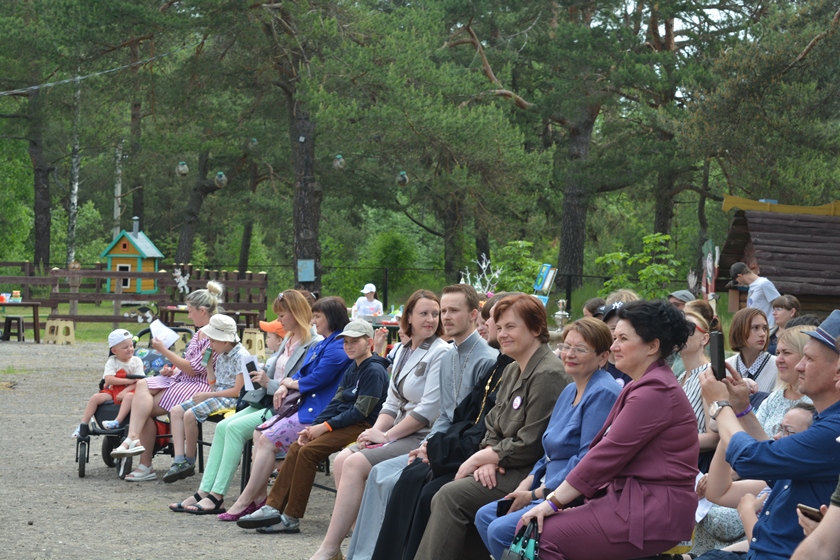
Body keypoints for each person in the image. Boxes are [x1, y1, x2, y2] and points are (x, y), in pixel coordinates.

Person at [519, 299, 698, 560]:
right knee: (529, 527)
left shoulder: (656, 390)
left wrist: (553, 503)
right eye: (615, 338)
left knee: (537, 534)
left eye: (623, 339)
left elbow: (607, 454)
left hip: (651, 510)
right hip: (628, 501)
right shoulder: (644, 384)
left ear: (652, 346)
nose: (613, 347)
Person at [346, 284, 498, 559]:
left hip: (460, 449)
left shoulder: (487, 359)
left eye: (452, 311)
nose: (445, 317)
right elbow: (445, 416)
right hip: (439, 443)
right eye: (444, 311)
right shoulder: (450, 355)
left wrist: (430, 447)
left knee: (401, 481)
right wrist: (427, 444)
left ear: (474, 315)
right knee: (379, 473)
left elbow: (474, 422)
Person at [413, 294, 569, 560]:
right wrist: (487, 457)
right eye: (500, 327)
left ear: (535, 329)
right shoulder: (512, 369)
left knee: (449, 496)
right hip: (502, 463)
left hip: (526, 471)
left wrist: (485, 457)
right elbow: (492, 423)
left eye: (511, 327)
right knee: (433, 484)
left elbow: (530, 443)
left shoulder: (548, 374)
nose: (502, 334)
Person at [308, 289, 449, 560]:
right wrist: (377, 430)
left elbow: (427, 411)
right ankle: (355, 539)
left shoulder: (440, 352)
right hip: (398, 429)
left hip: (422, 435)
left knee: (354, 463)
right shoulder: (403, 350)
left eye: (435, 313)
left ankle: (331, 548)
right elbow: (391, 402)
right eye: (424, 313)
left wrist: (386, 436)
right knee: (341, 460)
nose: (431, 319)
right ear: (409, 317)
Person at [694, 309, 840, 560]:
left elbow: (752, 459)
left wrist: (720, 406)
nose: (799, 366)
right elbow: (775, 463)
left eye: (808, 359)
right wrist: (741, 409)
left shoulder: (833, 430)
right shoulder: (824, 420)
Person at [474, 317, 621, 560]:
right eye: (566, 346)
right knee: (486, 516)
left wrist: (536, 494)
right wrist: (526, 484)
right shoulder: (570, 388)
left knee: (500, 530)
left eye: (580, 349)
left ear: (603, 357)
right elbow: (548, 451)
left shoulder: (603, 392)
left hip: (569, 494)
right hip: (543, 484)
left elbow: (586, 461)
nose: (569, 354)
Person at [168, 290, 321, 513]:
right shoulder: (289, 339)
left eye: (281, 315)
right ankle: (205, 491)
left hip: (286, 407)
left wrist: (269, 382)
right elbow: (276, 373)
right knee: (222, 427)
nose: (279, 321)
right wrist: (262, 377)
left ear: (296, 314)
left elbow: (302, 384)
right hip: (266, 400)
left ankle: (217, 495)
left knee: (234, 429)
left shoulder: (313, 343)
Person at [236, 320, 389, 532]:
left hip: (363, 426)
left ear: (369, 343)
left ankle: (291, 517)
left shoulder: (374, 370)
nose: (349, 346)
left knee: (308, 452)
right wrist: (314, 427)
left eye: (355, 341)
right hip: (343, 421)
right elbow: (335, 402)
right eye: (346, 342)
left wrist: (325, 426)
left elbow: (360, 412)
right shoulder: (352, 368)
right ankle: (272, 507)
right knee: (297, 447)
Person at [206, 295, 351, 518]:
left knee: (260, 436)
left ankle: (244, 500)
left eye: (318, 317)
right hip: (297, 405)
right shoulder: (322, 343)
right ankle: (254, 499)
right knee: (255, 433)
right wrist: (285, 384)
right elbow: (303, 373)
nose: (313, 321)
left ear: (331, 317)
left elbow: (315, 379)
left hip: (315, 411)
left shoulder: (333, 346)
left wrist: (284, 384)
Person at [111, 281, 223, 481]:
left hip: (199, 385)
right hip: (183, 380)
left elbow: (194, 369)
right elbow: (187, 363)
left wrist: (164, 351)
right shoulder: (199, 332)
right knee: (142, 386)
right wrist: (171, 370)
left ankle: (141, 458)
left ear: (202, 311)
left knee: (142, 407)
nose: (189, 316)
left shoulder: (213, 336)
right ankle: (134, 442)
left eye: (190, 311)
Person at [687, 403, 817, 559]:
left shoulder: (810, 493)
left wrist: (747, 513)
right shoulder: (782, 480)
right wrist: (728, 432)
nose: (777, 436)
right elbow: (717, 493)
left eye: (788, 431)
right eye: (779, 428)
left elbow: (766, 551)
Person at [163, 315, 248, 489]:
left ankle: (189, 461)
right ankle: (179, 459)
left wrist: (209, 395)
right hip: (218, 395)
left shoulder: (241, 356)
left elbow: (237, 392)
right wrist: (209, 364)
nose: (210, 344)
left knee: (190, 414)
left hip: (231, 400)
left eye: (212, 341)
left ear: (225, 341)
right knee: (176, 410)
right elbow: (214, 384)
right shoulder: (222, 353)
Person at [72, 329, 144, 438]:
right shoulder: (112, 361)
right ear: (114, 351)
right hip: (114, 389)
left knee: (128, 397)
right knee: (95, 398)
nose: (130, 349)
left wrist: (125, 390)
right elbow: (109, 379)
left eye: (131, 346)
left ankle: (117, 421)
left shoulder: (136, 361)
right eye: (125, 347)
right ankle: (83, 424)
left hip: (131, 390)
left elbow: (140, 381)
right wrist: (128, 381)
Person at [678, 310, 721, 472]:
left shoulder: (709, 376)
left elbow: (714, 437)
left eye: (688, 328)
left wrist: (670, 443)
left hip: (698, 465)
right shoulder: (680, 377)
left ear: (705, 339)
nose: (681, 333)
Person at [754, 326, 814, 436]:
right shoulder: (773, 399)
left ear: (805, 356)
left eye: (786, 353)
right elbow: (753, 438)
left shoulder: (818, 402)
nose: (778, 359)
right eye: (778, 353)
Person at [725, 308, 778, 395]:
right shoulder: (726, 367)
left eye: (765, 328)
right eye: (756, 328)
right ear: (739, 330)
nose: (763, 334)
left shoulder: (777, 366)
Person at [728, 263, 781, 328]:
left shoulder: (764, 284)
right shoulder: (752, 287)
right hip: (757, 329)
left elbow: (780, 303)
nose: (739, 283)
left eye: (736, 281)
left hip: (768, 329)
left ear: (740, 276)